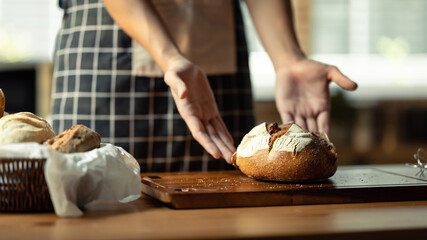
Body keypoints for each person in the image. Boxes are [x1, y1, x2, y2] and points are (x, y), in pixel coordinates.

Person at [51, 0, 357, 172]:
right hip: (106, 48)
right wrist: (170, 57)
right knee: (99, 198)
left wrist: (288, 58)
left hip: (217, 53)